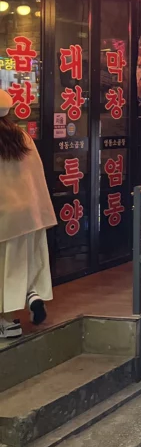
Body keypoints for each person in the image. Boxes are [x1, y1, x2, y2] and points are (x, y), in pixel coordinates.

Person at [0, 90, 56, 338]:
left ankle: (7, 322)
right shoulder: (22, 136)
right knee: (26, 262)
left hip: (5, 215)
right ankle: (32, 293)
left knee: (5, 269)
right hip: (30, 213)